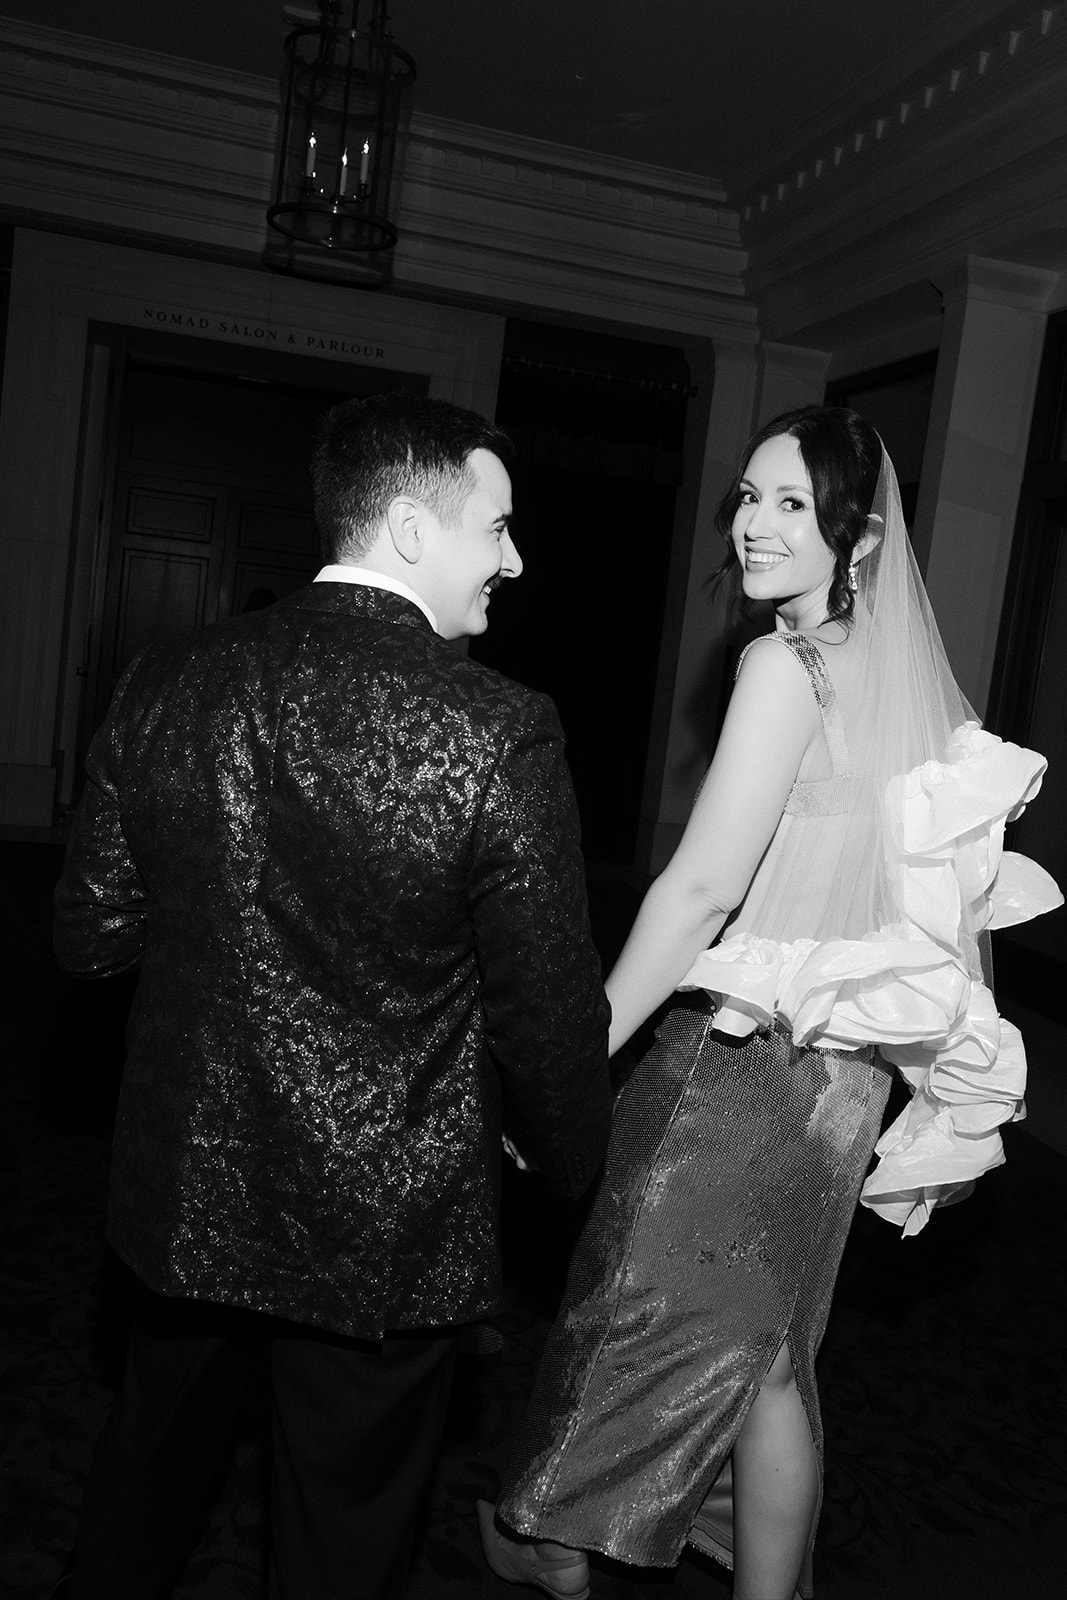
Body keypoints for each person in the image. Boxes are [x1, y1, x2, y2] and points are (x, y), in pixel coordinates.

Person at [478, 405, 1061, 1600]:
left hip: (741, 1066)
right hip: (845, 1078)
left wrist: (577, 1052)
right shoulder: (909, 690)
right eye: (747, 496)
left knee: (626, 1303)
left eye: (791, 503)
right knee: (773, 1361)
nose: (752, 523)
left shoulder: (781, 666)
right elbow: (939, 919)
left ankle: (553, 1543)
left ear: (857, 537)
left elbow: (700, 889)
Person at [53, 391, 613, 1600]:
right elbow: (548, 1011)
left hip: (187, 1188)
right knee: (342, 1550)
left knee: (138, 1494)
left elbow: (89, 938)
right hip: (383, 1225)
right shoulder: (497, 730)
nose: (515, 559)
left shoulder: (166, 678)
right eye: (496, 527)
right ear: (410, 527)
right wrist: (572, 1166)